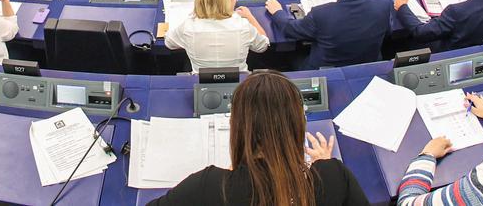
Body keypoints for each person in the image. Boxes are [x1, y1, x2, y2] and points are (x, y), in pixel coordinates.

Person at [152, 70, 366, 205]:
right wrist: (324, 165)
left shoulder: (207, 186)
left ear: (238, 126)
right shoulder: (333, 175)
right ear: (297, 124)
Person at [266, 0, 410, 68]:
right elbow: (387, 33)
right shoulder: (383, 6)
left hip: (325, 71)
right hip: (367, 63)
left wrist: (277, 11)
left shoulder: (320, 14)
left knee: (289, 55)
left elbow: (289, 29)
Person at [164, 0, 270, 73]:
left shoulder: (187, 27)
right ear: (227, 0)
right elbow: (262, 45)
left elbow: (169, 43)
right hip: (238, 82)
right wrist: (250, 17)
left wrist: (189, 42)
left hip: (200, 82)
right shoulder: (244, 26)